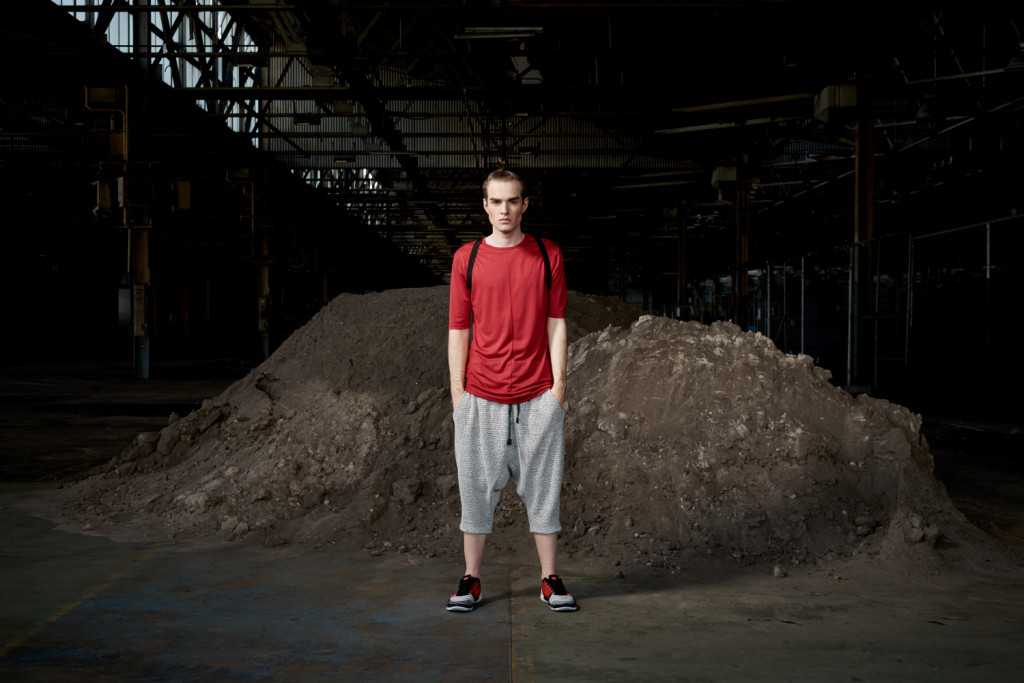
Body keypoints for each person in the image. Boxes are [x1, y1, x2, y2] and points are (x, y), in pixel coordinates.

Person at [445, 168, 578, 613]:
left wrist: (559, 387)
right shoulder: (466, 257)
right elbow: (458, 329)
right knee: (476, 488)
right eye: (496, 202)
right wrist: (457, 394)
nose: (504, 210)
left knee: (543, 488)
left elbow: (556, 322)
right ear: (485, 205)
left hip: (537, 393)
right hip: (480, 394)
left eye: (512, 201)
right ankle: (471, 579)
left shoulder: (547, 254)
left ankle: (550, 579)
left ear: (525, 205)